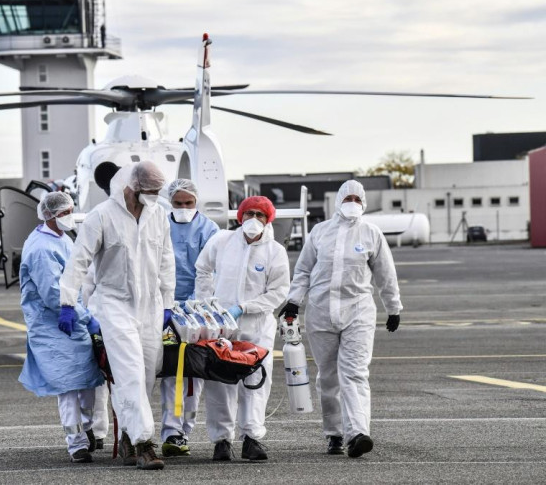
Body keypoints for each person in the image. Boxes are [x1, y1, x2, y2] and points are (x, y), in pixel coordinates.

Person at [59, 162, 176, 470]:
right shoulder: (102, 216)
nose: (155, 196)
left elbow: (166, 258)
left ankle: (126, 436)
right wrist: (68, 301)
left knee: (147, 375)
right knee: (130, 373)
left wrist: (167, 302)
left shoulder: (158, 214)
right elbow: (79, 260)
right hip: (114, 305)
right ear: (133, 187)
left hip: (149, 307)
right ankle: (144, 444)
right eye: (150, 191)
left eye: (157, 191)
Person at [279, 180, 402, 458]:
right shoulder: (320, 233)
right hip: (320, 313)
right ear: (338, 201)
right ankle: (334, 433)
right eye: (349, 198)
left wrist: (393, 307)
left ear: (364, 203)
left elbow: (386, 274)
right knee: (329, 376)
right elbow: (304, 271)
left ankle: (358, 432)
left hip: (358, 312)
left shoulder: (371, 234)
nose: (353, 203)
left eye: (358, 199)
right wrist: (293, 302)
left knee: (355, 372)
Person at [195, 195, 290, 461]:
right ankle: (221, 441)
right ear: (240, 217)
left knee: (255, 382)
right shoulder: (222, 241)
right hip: (221, 327)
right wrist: (206, 305)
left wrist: (245, 307)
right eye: (249, 214)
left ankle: (251, 438)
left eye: (261, 215)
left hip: (256, 327)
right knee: (219, 384)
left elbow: (278, 292)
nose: (254, 220)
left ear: (268, 219)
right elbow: (202, 269)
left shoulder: (275, 252)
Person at [18, 191, 104, 464]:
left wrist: (81, 314)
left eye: (70, 210)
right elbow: (53, 293)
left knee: (87, 381)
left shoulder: (62, 238)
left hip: (73, 321)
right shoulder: (41, 248)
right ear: (50, 215)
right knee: (67, 387)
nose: (69, 216)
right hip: (52, 325)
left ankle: (87, 429)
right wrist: (84, 316)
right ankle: (75, 443)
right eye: (63, 213)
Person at [160, 178, 220, 458]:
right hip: (164, 307)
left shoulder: (210, 230)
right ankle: (172, 431)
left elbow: (210, 270)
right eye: (178, 203)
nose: (183, 208)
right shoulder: (159, 224)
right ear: (169, 201)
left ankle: (185, 429)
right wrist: (164, 302)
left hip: (198, 309)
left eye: (189, 203)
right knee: (171, 370)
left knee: (195, 372)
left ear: (197, 202)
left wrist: (197, 303)